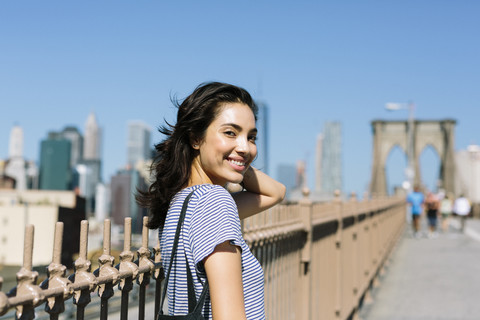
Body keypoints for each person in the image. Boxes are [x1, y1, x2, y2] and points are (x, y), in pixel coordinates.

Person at [137, 82, 286, 319]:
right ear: (195, 138)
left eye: (251, 137)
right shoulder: (213, 202)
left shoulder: (183, 202)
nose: (245, 146)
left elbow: (276, 193)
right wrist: (234, 158)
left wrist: (235, 159)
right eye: (230, 133)